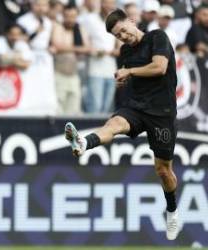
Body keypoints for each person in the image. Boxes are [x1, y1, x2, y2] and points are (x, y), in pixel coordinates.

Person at [65, 9, 179, 240]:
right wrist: (124, 80)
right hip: (137, 106)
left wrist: (130, 71)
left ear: (131, 21)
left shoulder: (157, 37)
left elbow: (159, 68)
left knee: (163, 170)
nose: (123, 37)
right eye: (118, 36)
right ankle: (84, 142)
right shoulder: (125, 52)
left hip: (162, 112)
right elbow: (134, 76)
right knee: (114, 124)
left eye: (123, 31)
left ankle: (172, 210)